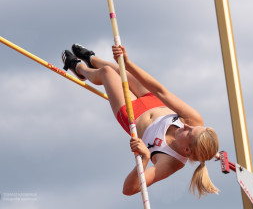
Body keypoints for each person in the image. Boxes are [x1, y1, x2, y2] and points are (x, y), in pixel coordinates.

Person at [61, 44, 219, 198]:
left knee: (107, 73)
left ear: (186, 150)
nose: (186, 125)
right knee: (120, 70)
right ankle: (92, 58)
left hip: (132, 115)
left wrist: (144, 159)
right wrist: (127, 64)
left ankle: (79, 68)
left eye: (189, 131)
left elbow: (129, 189)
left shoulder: (170, 162)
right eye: (192, 127)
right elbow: (160, 91)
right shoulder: (195, 119)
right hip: (151, 100)